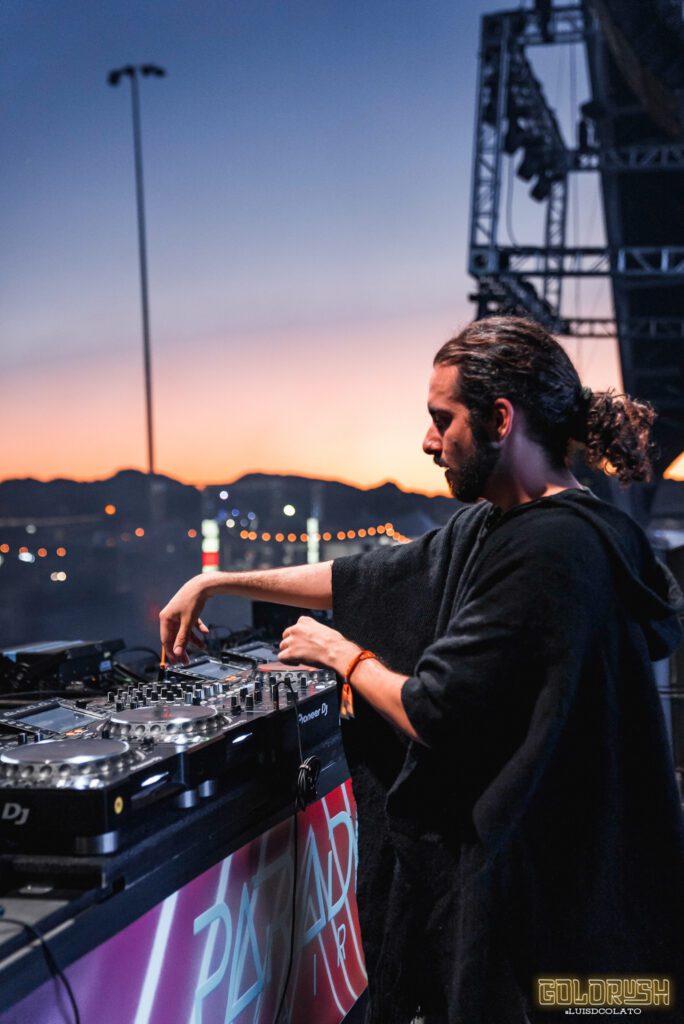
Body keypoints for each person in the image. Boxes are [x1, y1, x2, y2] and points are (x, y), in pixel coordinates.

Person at [160, 317, 684, 1024]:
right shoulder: (499, 526)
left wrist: (342, 655)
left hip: (561, 930)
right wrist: (217, 583)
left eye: (443, 419)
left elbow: (435, 711)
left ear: (501, 419)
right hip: (551, 903)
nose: (429, 442)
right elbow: (366, 576)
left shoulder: (553, 550)